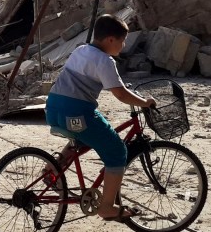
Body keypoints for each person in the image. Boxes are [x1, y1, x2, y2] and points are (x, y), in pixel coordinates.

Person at [45, 14, 156, 221]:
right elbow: (121, 94)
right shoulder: (105, 60)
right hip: (76, 114)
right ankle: (107, 207)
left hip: (53, 109)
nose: (123, 46)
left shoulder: (81, 49)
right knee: (117, 151)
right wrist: (145, 102)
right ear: (110, 40)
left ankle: (51, 170)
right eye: (122, 41)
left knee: (81, 136)